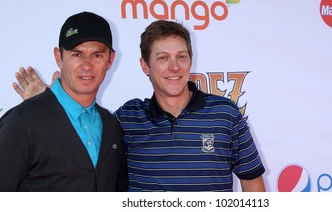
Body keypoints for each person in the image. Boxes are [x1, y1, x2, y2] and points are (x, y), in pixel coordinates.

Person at [11, 20, 266, 192]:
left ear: (191, 60)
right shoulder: (125, 119)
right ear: (145, 65)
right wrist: (48, 105)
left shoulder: (225, 114)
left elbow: (252, 184)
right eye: (163, 58)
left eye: (181, 57)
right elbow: (80, 135)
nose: (174, 68)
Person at [0, 11, 128, 191]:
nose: (87, 65)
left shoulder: (111, 126)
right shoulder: (22, 121)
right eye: (77, 54)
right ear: (59, 57)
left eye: (97, 55)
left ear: (110, 60)